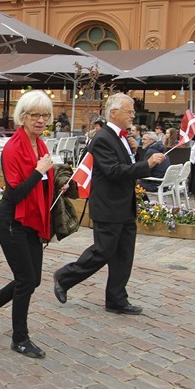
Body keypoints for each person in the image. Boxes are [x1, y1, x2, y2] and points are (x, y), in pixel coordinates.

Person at [53, 93, 165, 315]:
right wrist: (148, 164)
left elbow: (126, 165)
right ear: (113, 113)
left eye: (133, 111)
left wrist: (136, 153)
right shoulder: (103, 138)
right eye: (129, 111)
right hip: (109, 205)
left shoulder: (122, 137)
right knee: (103, 251)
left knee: (124, 255)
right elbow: (113, 171)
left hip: (125, 204)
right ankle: (65, 276)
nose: (133, 115)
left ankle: (117, 299)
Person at [0, 91, 55, 358]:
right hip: (13, 220)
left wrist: (59, 182)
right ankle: (20, 338)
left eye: (45, 115)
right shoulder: (13, 147)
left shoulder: (41, 145)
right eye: (34, 115)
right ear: (22, 117)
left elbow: (43, 185)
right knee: (26, 279)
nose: (40, 120)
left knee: (33, 279)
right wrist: (39, 171)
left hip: (32, 220)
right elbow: (14, 193)